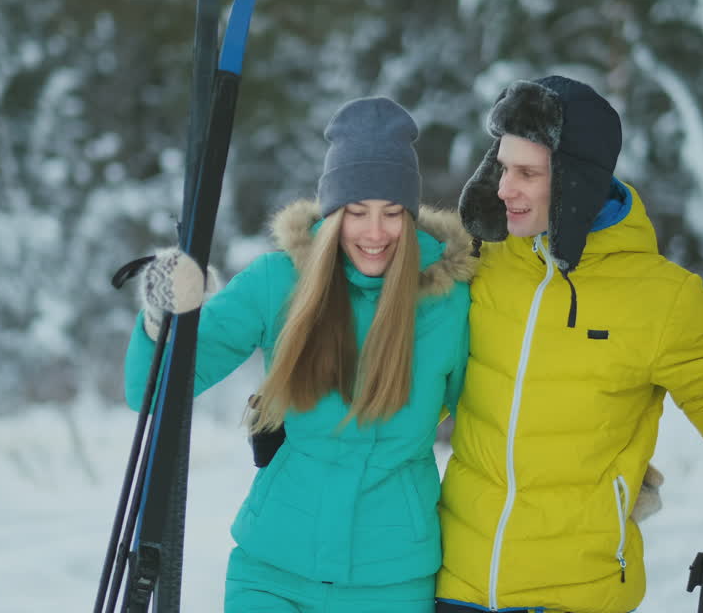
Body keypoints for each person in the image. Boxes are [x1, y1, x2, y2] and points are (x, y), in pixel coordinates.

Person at [436, 76, 703, 613]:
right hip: (455, 586)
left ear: (577, 180)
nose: (505, 188)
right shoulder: (477, 263)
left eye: (528, 173)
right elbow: (406, 380)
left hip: (579, 595)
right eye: (503, 166)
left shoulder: (661, 296)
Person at [126, 97, 477, 612]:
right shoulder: (279, 282)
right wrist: (163, 318)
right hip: (273, 571)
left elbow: (492, 422)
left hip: (391, 580)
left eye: (391, 213)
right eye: (357, 212)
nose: (375, 233)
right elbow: (153, 390)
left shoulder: (449, 303)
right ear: (334, 213)